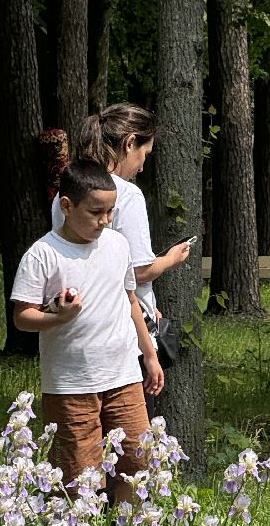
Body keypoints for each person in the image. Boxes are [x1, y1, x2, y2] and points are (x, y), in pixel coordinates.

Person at [11, 160, 163, 503]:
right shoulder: (42, 254)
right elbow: (22, 317)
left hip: (124, 376)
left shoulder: (117, 245)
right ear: (67, 206)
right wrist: (57, 317)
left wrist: (149, 355)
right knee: (78, 475)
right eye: (96, 212)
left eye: (110, 211)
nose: (105, 220)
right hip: (71, 384)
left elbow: (129, 301)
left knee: (136, 465)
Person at [56, 104, 195, 337]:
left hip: (76, 317)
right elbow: (139, 272)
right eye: (145, 154)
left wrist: (149, 305)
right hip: (120, 326)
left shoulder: (68, 192)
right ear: (130, 143)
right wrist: (171, 259)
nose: (141, 167)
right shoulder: (127, 194)